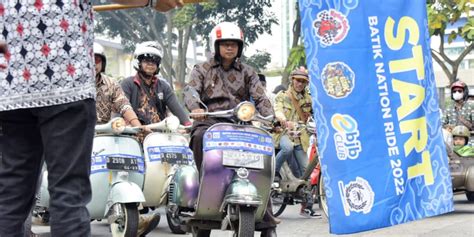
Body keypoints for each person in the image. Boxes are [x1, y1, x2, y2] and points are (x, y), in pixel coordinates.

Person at [0, 1, 183, 236]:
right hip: (65, 82)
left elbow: (125, 106)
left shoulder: (131, 84)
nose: (151, 65)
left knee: (11, 194)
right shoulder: (130, 83)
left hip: (13, 84)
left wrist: (141, 126)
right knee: (68, 193)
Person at [184, 21, 278, 236]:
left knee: (261, 165)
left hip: (239, 124)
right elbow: (190, 90)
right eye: (224, 44)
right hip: (210, 122)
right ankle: (203, 187)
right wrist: (196, 107)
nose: (229, 48)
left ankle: (267, 222)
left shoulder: (248, 72)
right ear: (216, 46)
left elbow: (260, 96)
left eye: (233, 44)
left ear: (240, 47)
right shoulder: (202, 69)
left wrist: (272, 116)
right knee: (198, 136)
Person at [94, 43, 160, 236]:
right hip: (77, 133)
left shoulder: (111, 83)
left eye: (97, 60)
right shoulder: (74, 82)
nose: (93, 64)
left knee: (124, 166)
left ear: (102, 63)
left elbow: (123, 104)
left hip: (105, 133)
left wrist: (136, 123)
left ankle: (133, 213)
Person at [273, 67, 320, 218]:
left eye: (303, 81)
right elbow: (277, 109)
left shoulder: (308, 99)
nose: (300, 84)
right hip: (284, 134)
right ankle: (274, 172)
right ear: (292, 80)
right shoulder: (282, 96)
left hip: (300, 137)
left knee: (306, 171)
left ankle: (306, 207)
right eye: (298, 80)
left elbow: (316, 112)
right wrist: (283, 120)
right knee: (286, 149)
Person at [121, 41, 191, 127]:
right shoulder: (127, 84)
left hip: (160, 133)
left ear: (158, 65)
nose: (150, 64)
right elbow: (123, 108)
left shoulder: (164, 86)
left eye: (154, 61)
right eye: (146, 60)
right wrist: (137, 127)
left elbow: (176, 108)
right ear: (139, 62)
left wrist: (188, 125)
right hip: (134, 133)